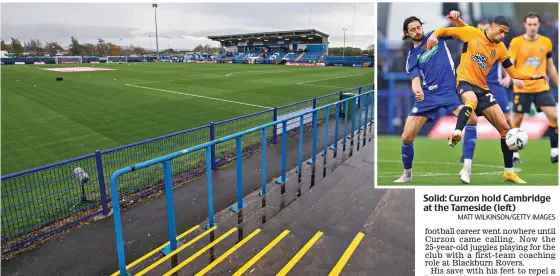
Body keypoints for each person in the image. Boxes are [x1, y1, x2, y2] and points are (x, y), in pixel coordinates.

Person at [426, 16, 549, 184]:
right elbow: (444, 31)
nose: (503, 35)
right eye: (501, 31)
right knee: (471, 101)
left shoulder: (500, 48)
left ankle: (509, 173)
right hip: (464, 82)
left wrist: (532, 76)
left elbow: (512, 72)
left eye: (505, 33)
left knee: (506, 130)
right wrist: (434, 36)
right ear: (492, 27)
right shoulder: (471, 33)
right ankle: (458, 136)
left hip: (483, 88)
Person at [394, 12, 478, 184]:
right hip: (428, 96)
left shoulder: (437, 35)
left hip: (449, 92)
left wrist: (457, 20)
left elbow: (469, 33)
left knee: (472, 119)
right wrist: (417, 90)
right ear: (407, 34)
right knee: (406, 137)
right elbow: (415, 79)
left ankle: (466, 169)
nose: (417, 31)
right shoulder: (411, 57)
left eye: (418, 27)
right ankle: (407, 174)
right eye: (413, 30)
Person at [501, 12, 559, 164]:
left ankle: (555, 153)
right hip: (522, 88)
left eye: (535, 24)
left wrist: (558, 84)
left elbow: (550, 66)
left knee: (553, 116)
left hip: (541, 87)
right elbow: (509, 62)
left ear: (539, 25)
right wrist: (511, 78)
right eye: (530, 24)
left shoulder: (546, 42)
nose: (532, 27)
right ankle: (514, 154)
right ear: (525, 25)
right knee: (517, 120)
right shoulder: (516, 42)